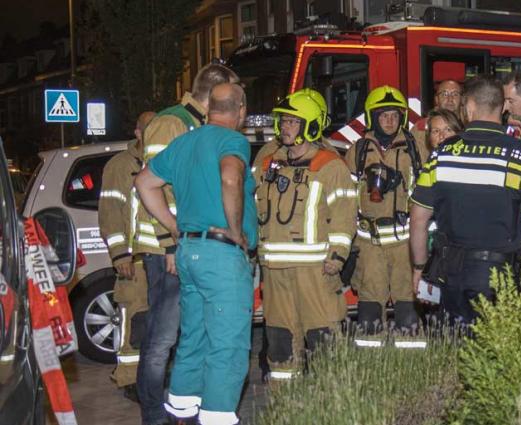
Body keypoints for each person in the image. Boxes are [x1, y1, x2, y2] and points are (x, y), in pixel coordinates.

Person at [135, 82, 257, 425]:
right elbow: (231, 179)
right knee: (227, 346)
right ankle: (217, 417)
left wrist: (174, 226)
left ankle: (182, 415)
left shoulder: (184, 141)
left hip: (189, 252)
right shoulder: (232, 140)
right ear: (242, 110)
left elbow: (144, 182)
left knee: (193, 339)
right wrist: (235, 230)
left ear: (207, 110)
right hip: (221, 254)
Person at [409, 75, 521, 326]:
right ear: (503, 106)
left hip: (450, 274)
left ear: (469, 108)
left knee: (453, 351)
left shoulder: (441, 154)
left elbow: (418, 219)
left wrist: (419, 268)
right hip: (499, 275)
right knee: (493, 355)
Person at [253, 90, 356, 381]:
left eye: (292, 122)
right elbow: (251, 205)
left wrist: (337, 255)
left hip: (315, 271)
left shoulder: (330, 165)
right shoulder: (266, 164)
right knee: (280, 342)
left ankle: (330, 406)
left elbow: (344, 214)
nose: (284, 127)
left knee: (323, 337)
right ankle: (286, 407)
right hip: (274, 272)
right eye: (283, 121)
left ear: (310, 125)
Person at [344, 85, 428, 346]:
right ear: (373, 118)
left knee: (408, 306)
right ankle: (373, 367)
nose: (390, 121)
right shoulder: (357, 151)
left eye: (395, 115)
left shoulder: (417, 148)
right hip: (370, 243)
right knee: (369, 307)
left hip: (405, 242)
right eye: (384, 115)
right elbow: (346, 199)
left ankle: (410, 367)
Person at [98, 111, 155, 401]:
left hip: (158, 256)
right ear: (137, 132)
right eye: (148, 129)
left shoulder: (163, 161)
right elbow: (110, 213)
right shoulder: (120, 166)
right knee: (134, 320)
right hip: (134, 260)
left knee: (157, 322)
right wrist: (120, 254)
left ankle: (150, 373)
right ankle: (128, 378)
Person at [413, 80, 463, 145]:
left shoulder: (471, 125)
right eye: (444, 94)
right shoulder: (421, 128)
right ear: (436, 99)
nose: (450, 99)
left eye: (455, 94)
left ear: (462, 99)